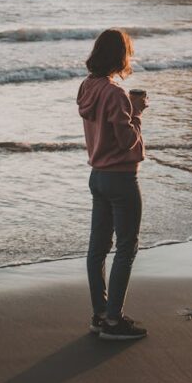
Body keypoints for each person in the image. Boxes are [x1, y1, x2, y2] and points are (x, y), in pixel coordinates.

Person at [77, 29, 148, 340]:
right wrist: (138, 112)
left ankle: (99, 314)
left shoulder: (87, 87)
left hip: (97, 176)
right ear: (121, 56)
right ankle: (114, 321)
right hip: (121, 176)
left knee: (98, 248)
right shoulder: (115, 93)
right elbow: (126, 140)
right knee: (126, 246)